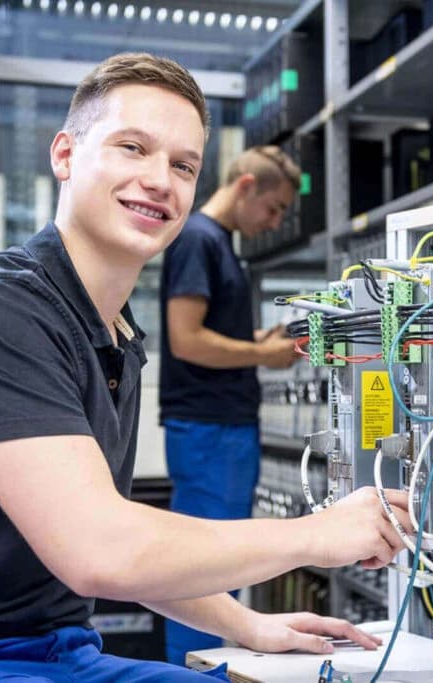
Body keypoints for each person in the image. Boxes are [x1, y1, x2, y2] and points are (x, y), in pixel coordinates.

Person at [0, 53, 412, 683]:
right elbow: (102, 550)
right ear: (64, 155)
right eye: (132, 147)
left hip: (55, 650)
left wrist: (249, 626)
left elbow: (124, 544)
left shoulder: (114, 339)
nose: (160, 180)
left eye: (183, 166)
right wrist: (318, 534)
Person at [159, 145, 303, 663]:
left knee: (221, 568)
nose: (276, 220)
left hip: (222, 430)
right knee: (204, 571)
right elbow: (186, 340)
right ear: (245, 186)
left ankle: (203, 668)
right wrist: (263, 353)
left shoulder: (217, 243)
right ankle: (190, 672)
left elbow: (211, 333)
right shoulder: (199, 240)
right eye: (274, 207)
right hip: (209, 431)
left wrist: (255, 339)